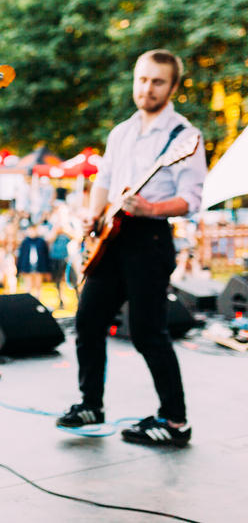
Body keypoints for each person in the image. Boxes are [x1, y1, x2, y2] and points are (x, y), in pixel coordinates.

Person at [57, 49, 207, 447]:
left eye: (158, 81)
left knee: (147, 333)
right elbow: (103, 180)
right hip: (111, 237)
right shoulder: (121, 132)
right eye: (142, 79)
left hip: (150, 238)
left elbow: (192, 198)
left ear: (173, 86)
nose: (147, 88)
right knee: (88, 321)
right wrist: (92, 215)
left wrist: (151, 207)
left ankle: (175, 422)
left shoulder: (184, 137)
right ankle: (91, 404)